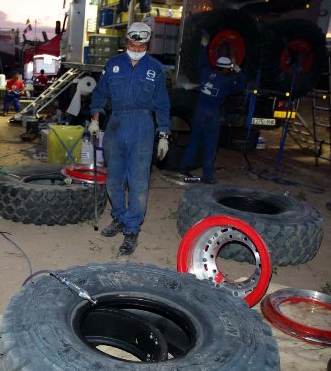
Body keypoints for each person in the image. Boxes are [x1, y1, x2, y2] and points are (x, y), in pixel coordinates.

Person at [88, 22, 170, 256]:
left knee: (138, 182)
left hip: (143, 126)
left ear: (147, 43)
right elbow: (100, 93)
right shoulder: (113, 64)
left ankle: (132, 230)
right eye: (133, 44)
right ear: (126, 41)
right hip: (115, 124)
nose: (137, 48)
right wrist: (95, 118)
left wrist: (164, 134)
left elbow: (163, 103)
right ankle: (119, 218)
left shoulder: (155, 68)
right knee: (113, 178)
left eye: (142, 45)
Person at [179, 33, 247, 184]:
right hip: (212, 115)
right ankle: (207, 176)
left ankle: (184, 166)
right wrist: (237, 68)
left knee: (195, 140)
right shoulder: (227, 82)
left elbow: (202, 62)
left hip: (199, 112)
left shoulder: (206, 73)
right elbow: (242, 85)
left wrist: (204, 46)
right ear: (226, 69)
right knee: (210, 145)